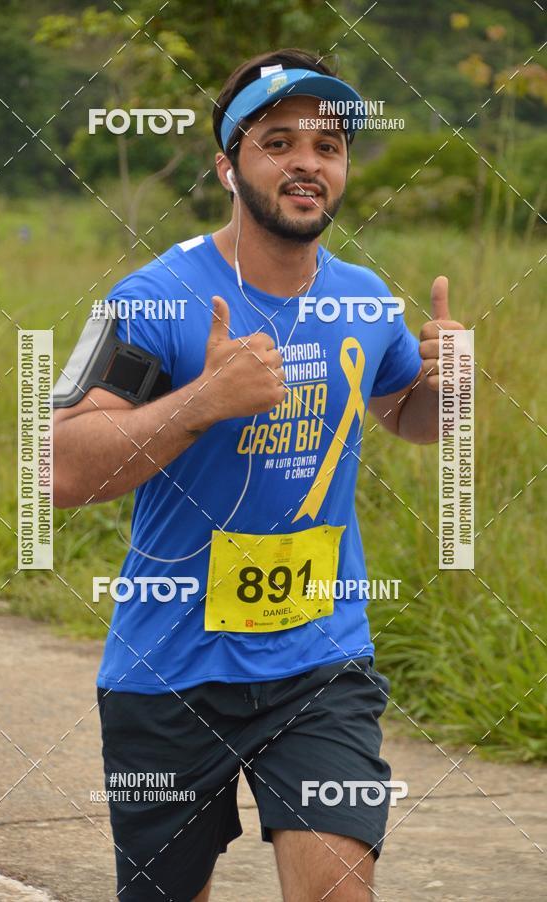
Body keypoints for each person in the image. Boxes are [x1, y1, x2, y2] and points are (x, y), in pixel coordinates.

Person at [53, 48, 465, 902]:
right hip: (169, 668)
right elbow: (57, 467)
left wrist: (450, 393)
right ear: (227, 165)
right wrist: (202, 400)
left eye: (329, 146)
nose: (308, 162)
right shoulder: (153, 297)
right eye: (279, 141)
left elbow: (407, 419)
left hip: (319, 662)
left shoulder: (365, 299)